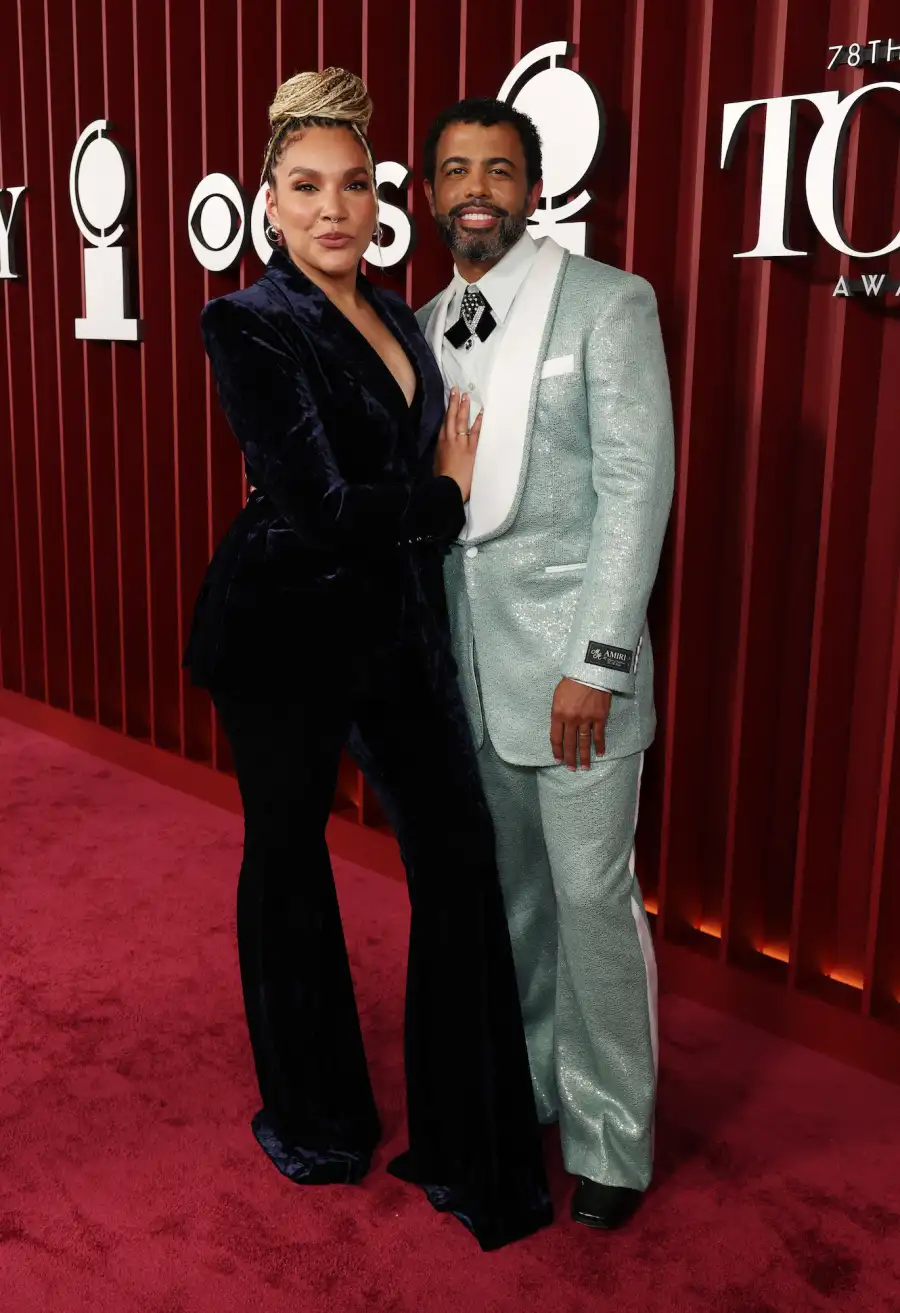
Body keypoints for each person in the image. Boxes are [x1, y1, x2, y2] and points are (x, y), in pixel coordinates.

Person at [183, 70, 552, 1252]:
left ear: (378, 198)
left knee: (457, 856)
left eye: (353, 186)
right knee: (287, 863)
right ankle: (315, 1115)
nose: (332, 209)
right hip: (280, 631)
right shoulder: (246, 320)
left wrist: (410, 510)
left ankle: (463, 1138)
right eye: (306, 188)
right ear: (270, 204)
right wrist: (438, 494)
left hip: (389, 625)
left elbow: (360, 506)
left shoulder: (400, 316)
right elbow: (327, 504)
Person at [417, 97, 675, 1230]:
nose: (479, 186)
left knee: (591, 900)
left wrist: (600, 661)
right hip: (467, 676)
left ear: (535, 186)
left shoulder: (612, 304)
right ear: (428, 194)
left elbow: (637, 488)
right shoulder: (420, 320)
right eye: (457, 169)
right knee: (514, 901)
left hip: (577, 681)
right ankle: (528, 1086)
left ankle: (614, 1131)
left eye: (501, 169)